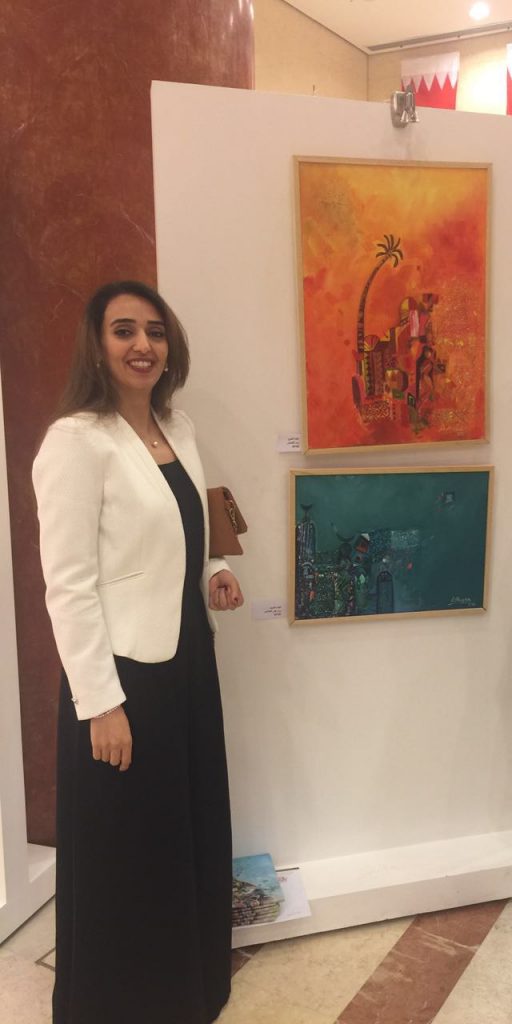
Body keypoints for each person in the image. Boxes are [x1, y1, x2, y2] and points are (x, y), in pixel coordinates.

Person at [32, 280, 244, 1024]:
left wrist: (215, 571)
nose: (142, 345)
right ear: (97, 345)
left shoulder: (177, 427)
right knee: (125, 845)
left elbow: (190, 526)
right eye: (124, 330)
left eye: (154, 330)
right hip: (122, 678)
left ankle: (188, 988)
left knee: (184, 826)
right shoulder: (75, 442)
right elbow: (68, 586)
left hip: (187, 664)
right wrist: (100, 703)